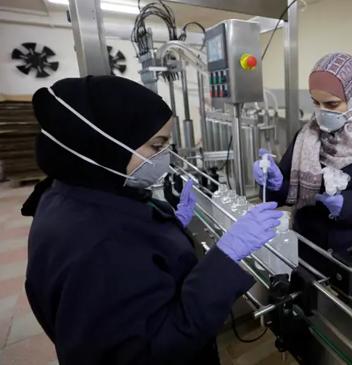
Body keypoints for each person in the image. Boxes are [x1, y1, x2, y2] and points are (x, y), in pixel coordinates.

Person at [21, 76, 281, 365]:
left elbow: (136, 277)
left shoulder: (69, 195)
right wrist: (226, 257)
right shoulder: (99, 246)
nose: (164, 158)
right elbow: (155, 346)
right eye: (156, 147)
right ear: (108, 144)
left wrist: (167, 228)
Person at [253, 52, 352, 272]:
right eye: (315, 102)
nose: (321, 112)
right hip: (307, 250)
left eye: (332, 104)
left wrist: (349, 206)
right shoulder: (305, 137)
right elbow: (285, 193)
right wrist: (274, 183)